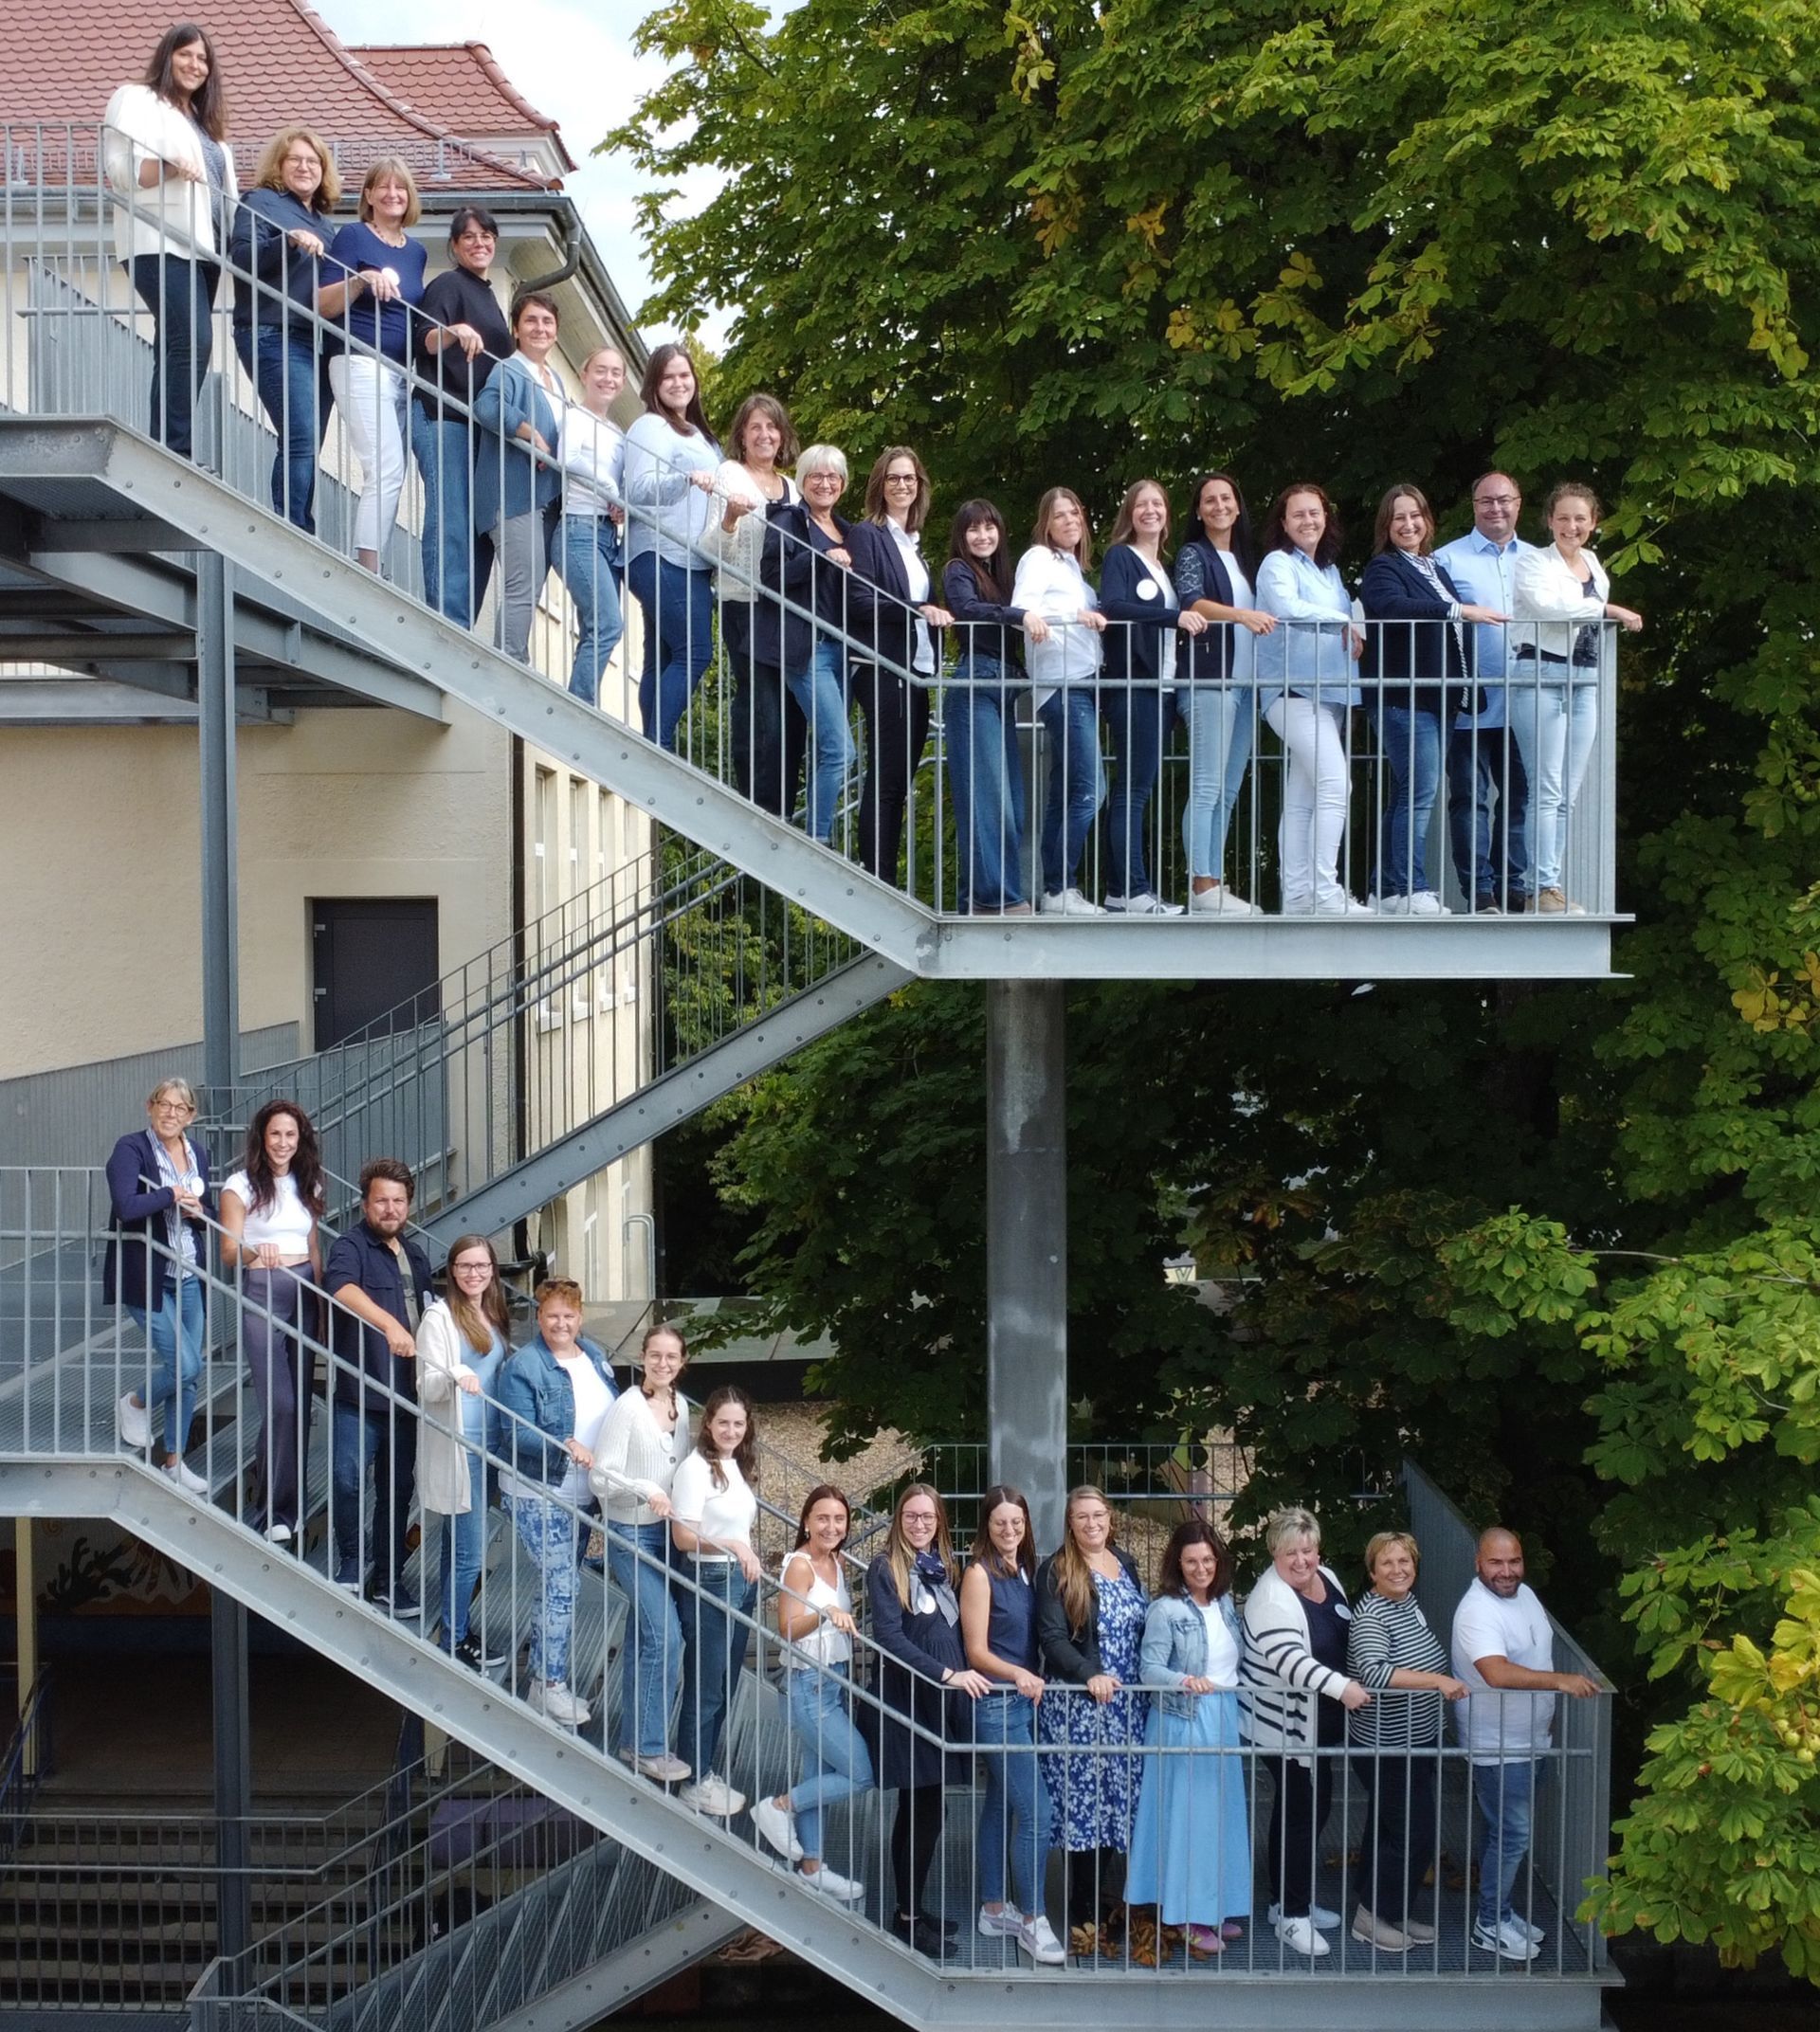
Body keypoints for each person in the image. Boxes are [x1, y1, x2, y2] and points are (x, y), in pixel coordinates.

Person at [1451, 1526, 1602, 1961]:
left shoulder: (1527, 1596)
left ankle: (1500, 1910)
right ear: (1478, 1563)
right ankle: (1489, 1924)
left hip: (1531, 1740)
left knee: (1505, 1833)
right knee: (1512, 1835)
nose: (1506, 1571)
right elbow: (1496, 1673)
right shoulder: (1476, 1611)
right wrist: (1562, 1683)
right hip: (1497, 1744)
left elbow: (1538, 1655)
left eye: (1514, 1561)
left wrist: (1548, 1719)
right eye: (1496, 1563)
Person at [1358, 483, 1508, 915]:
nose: (1408, 524)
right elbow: (1389, 607)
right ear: (1387, 526)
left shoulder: (1432, 567)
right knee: (1419, 793)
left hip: (1437, 698)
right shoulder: (1384, 567)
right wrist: (1462, 610)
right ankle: (1407, 887)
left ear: (1427, 520)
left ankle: (1386, 889)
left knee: (1412, 792)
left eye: (1415, 515)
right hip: (1403, 696)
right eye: (1398, 518)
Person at [1237, 1505, 1371, 1960]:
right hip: (1283, 1727)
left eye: (1308, 1551)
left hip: (1319, 1723)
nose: (1301, 1561)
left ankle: (1285, 1902)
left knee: (1309, 1808)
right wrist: (1344, 1688)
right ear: (1274, 1552)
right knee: (1301, 1811)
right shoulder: (1270, 1598)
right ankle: (1292, 1916)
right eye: (1290, 1552)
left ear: (1318, 1550)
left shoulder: (1328, 1577)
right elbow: (1291, 1662)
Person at [864, 1483, 989, 1955]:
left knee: (931, 1812)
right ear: (899, 1520)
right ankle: (906, 1917)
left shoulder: (942, 1568)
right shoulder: (886, 1568)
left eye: (929, 1517)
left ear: (939, 1520)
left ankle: (914, 1908)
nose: (920, 1524)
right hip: (910, 1699)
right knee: (918, 1813)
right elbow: (891, 1638)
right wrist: (946, 1674)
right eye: (912, 1516)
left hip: (940, 1702)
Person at [103, 26, 237, 461]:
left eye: (203, 60)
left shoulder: (204, 124)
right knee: (193, 340)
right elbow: (121, 171)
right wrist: (169, 167)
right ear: (167, 55)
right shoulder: (138, 99)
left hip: (206, 250)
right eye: (186, 55)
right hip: (159, 241)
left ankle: (166, 443)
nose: (195, 65)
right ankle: (173, 449)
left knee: (179, 342)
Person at [1511, 482, 1644, 913]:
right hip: (1540, 674)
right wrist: (1608, 609)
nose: (1572, 526)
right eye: (1563, 517)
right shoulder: (1533, 562)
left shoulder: (1591, 562)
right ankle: (1539, 887)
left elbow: (1574, 603)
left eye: (1580, 518)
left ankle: (1550, 885)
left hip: (1584, 679)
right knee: (1546, 789)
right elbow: (1552, 606)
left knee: (1567, 793)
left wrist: (1599, 606)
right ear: (1549, 520)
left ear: (1593, 523)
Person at [494, 1278, 616, 1727]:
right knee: (562, 1585)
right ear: (539, 1317)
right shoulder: (524, 1366)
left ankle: (539, 1687)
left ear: (580, 1318)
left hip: (584, 1493)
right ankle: (549, 1684)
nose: (560, 1323)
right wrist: (566, 1446)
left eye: (568, 1315)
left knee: (559, 1587)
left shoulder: (596, 1358)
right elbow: (514, 1433)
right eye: (551, 1315)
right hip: (539, 1489)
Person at [1126, 1519, 1250, 1958]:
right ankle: (1185, 1915)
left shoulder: (1224, 1605)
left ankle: (1213, 1906)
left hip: (1222, 1717)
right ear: (1178, 1564)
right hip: (1185, 1718)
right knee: (1189, 1822)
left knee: (1219, 1819)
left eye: (1208, 1560)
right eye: (1192, 1561)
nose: (1201, 1568)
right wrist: (1184, 1680)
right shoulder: (1166, 1610)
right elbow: (1148, 1669)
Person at [1035, 1484, 1149, 1956]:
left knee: (1117, 1809)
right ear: (1070, 1523)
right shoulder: (1057, 1570)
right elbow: (1052, 1638)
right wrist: (1090, 1675)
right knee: (1084, 1811)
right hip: (1081, 1710)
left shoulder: (1126, 1563)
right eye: (1081, 1517)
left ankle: (1107, 1904)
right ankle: (1083, 1912)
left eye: (1098, 1515)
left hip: (1127, 1710)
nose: (1091, 1524)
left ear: (1110, 1518)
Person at [1345, 1530, 1468, 1952]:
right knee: (1414, 1834)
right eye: (1387, 1563)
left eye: (1405, 1562)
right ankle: (1368, 1916)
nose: (1398, 1570)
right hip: (1387, 1747)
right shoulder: (1372, 1615)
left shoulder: (1406, 1605)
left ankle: (1391, 1913)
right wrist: (1437, 1680)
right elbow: (1375, 1674)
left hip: (1417, 1740)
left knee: (1389, 1831)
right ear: (1372, 1571)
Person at [752, 1483, 872, 1902]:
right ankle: (779, 1806)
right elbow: (784, 1629)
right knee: (860, 1773)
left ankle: (813, 1867)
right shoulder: (799, 1566)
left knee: (818, 1777)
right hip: (807, 1686)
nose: (831, 1526)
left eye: (839, 1519)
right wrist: (825, 1614)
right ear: (806, 1521)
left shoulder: (836, 1560)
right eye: (822, 1518)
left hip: (832, 1683)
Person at [959, 1484, 1064, 1963]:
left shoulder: (1025, 1571)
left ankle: (993, 1906)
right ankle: (1032, 1918)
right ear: (987, 1526)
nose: (1009, 1530)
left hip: (1024, 1704)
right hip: (998, 1706)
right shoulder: (979, 1575)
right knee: (1037, 1813)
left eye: (1016, 1522)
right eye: (1000, 1522)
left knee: (1002, 1806)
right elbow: (976, 1651)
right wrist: (1020, 1672)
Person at [325, 1157, 434, 1615]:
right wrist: (389, 1324)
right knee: (347, 1480)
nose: (390, 1209)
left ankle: (389, 1579)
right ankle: (354, 1559)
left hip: (407, 1398)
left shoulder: (416, 1255)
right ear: (365, 1203)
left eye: (398, 1201)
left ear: (408, 1204)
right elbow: (340, 1288)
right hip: (360, 1392)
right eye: (381, 1201)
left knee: (396, 1493)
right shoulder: (351, 1245)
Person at [1255, 484, 1370, 916]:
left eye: (1315, 513)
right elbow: (1286, 608)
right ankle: (1325, 892)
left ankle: (1299, 896)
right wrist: (1344, 620)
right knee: (1337, 784)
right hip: (1292, 690)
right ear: (1283, 523)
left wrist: (1353, 627)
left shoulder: (1330, 572)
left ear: (1326, 517)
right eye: (1298, 515)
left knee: (1303, 797)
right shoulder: (1277, 564)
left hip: (1333, 694)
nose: (1308, 521)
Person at [844, 448, 954, 886]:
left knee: (899, 782)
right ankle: (878, 880)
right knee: (886, 779)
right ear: (880, 485)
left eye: (910, 478)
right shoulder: (868, 535)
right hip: (882, 667)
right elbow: (860, 602)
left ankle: (885, 877)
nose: (902, 485)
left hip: (915, 670)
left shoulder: (913, 543)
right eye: (894, 478)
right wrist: (918, 608)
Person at [1097, 480, 1207, 915]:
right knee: (1133, 791)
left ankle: (1119, 889)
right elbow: (1115, 607)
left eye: (1157, 503)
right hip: (1134, 685)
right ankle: (1132, 892)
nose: (1150, 511)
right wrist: (1174, 617)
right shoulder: (1121, 556)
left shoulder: (1161, 566)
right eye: (1141, 505)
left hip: (1160, 688)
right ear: (1129, 513)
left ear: (1167, 513)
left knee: (1134, 788)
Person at [219, 1098, 325, 1543]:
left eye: (291, 1135)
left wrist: (321, 1302)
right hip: (263, 1289)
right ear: (262, 1137)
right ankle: (274, 1511)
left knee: (297, 1406)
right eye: (275, 1134)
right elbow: (228, 1252)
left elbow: (314, 1246)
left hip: (304, 1289)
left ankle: (286, 1506)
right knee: (279, 1404)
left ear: (300, 1141)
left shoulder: (309, 1184)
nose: (283, 1143)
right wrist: (253, 1251)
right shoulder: (239, 1185)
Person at [590, 1321, 691, 1782]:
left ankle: (633, 1740)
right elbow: (600, 1478)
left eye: (672, 1357)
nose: (663, 1364)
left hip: (667, 1538)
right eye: (655, 1356)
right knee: (665, 1637)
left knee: (642, 1639)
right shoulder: (627, 1408)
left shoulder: (682, 1407)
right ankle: (649, 1749)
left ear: (682, 1362)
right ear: (642, 1358)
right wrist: (645, 1488)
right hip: (630, 1535)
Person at [103, 1077, 212, 1493]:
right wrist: (170, 1195)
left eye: (180, 1107)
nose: (171, 1113)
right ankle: (135, 1402)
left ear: (192, 1116)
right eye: (163, 1105)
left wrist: (198, 1211)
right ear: (150, 1107)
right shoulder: (130, 1148)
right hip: (145, 1274)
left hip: (188, 1275)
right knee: (186, 1364)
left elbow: (208, 1211)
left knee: (188, 1375)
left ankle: (174, 1461)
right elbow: (127, 1206)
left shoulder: (197, 1152)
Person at [318, 158, 428, 574]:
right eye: (382, 187)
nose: (392, 194)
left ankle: (371, 560)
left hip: (399, 372)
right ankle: (367, 565)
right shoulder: (353, 237)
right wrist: (360, 281)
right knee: (385, 467)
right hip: (359, 360)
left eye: (400, 188)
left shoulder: (416, 252)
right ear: (368, 196)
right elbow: (322, 303)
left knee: (394, 473)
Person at [699, 393, 806, 816]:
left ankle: (781, 805)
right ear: (742, 435)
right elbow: (709, 550)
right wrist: (729, 520)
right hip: (743, 603)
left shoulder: (794, 488)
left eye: (772, 427)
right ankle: (757, 803)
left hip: (785, 609)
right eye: (755, 427)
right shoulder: (729, 474)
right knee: (763, 705)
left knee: (791, 709)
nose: (765, 434)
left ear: (782, 436)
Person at [1174, 471, 1274, 916]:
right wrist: (1241, 615)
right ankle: (1201, 886)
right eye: (1209, 500)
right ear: (1199, 511)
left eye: (1226, 499)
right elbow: (1191, 602)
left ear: (1237, 506)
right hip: (1210, 682)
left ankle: (1214, 883)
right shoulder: (1193, 554)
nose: (1219, 506)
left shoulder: (1246, 559)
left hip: (1246, 685)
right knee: (1208, 786)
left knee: (1229, 791)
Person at [1434, 473, 1535, 914]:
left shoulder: (1541, 561)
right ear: (1473, 505)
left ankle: (1513, 887)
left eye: (1504, 500)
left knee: (1520, 800)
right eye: (1486, 501)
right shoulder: (1445, 560)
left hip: (1527, 704)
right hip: (1468, 703)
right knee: (1468, 800)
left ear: (1519, 504)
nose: (1496, 509)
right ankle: (1480, 892)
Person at [940, 499, 1044, 914]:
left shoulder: (1001, 577)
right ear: (961, 537)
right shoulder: (957, 570)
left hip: (1003, 688)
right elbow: (965, 610)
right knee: (990, 802)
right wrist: (1019, 615)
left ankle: (976, 897)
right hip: (975, 687)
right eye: (973, 529)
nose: (982, 536)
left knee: (1012, 807)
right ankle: (994, 897)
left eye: (989, 528)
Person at [410, 205, 512, 626]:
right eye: (468, 237)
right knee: (451, 523)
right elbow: (424, 341)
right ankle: (446, 624)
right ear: (454, 246)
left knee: (480, 533)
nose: (479, 243)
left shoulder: (490, 296)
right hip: (444, 415)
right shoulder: (448, 284)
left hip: (481, 429)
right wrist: (454, 331)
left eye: (486, 235)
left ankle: (462, 624)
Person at [228, 125, 334, 532]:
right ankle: (293, 528)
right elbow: (240, 258)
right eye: (296, 160)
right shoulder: (260, 201)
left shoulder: (325, 225)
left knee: (308, 444)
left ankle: (298, 523)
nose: (305, 168)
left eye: (313, 161)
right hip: (271, 330)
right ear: (279, 164)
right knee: (301, 436)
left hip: (316, 342)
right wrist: (286, 242)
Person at [414, 1233, 510, 1670]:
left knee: (459, 1546)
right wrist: (455, 1372)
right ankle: (454, 1638)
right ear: (452, 1271)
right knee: (470, 1551)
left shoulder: (490, 1311)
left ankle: (456, 1627)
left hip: (489, 1446)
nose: (475, 1273)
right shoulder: (439, 1317)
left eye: (483, 1266)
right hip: (460, 1447)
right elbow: (426, 1386)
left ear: (492, 1270)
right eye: (466, 1266)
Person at [1012, 489, 1110, 915]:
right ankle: (1060, 887)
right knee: (1091, 790)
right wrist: (1076, 617)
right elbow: (1024, 610)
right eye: (1059, 515)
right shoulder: (1039, 558)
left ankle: (1056, 890)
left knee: (1065, 792)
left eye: (1075, 512)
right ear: (1046, 524)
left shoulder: (1072, 567)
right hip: (1062, 684)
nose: (1070, 520)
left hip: (1082, 684)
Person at [621, 342, 719, 753]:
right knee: (696, 652)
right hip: (662, 554)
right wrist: (685, 480)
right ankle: (657, 748)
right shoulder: (651, 427)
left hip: (691, 560)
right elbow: (637, 489)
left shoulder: (697, 432)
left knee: (661, 660)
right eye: (668, 377)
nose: (679, 383)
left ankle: (654, 745)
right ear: (653, 385)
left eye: (684, 375)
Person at [669, 1385, 761, 1818]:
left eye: (738, 1423)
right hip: (710, 1580)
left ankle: (704, 1768)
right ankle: (693, 1779)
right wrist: (735, 1547)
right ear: (707, 1423)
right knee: (706, 1685)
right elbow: (684, 1536)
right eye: (722, 1421)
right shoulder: (695, 1468)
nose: (730, 1429)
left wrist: (744, 1552)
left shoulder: (734, 1465)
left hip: (738, 1582)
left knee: (725, 1686)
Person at [761, 444, 857, 845]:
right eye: (816, 475)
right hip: (809, 649)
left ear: (843, 483)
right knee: (841, 749)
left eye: (833, 476)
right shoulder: (788, 519)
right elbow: (769, 576)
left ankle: (821, 834)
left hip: (844, 651)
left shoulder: (851, 531)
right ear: (802, 481)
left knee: (830, 748)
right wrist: (820, 557)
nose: (825, 482)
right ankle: (816, 839)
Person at [472, 291, 565, 663]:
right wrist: (530, 433)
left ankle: (511, 662)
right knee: (521, 588)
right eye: (531, 320)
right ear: (516, 329)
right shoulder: (509, 368)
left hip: (547, 498)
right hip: (512, 496)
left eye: (547, 321)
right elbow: (487, 407)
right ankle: (512, 667)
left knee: (530, 588)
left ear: (556, 331)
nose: (539, 328)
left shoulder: (555, 379)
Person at [555, 346, 628, 706]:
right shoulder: (577, 417)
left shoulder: (617, 432)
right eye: (601, 370)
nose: (608, 378)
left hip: (605, 533)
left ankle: (583, 702)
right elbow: (565, 459)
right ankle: (580, 706)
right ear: (584, 375)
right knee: (609, 623)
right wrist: (609, 486)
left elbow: (619, 488)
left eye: (616, 373)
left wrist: (619, 503)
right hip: (577, 530)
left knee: (594, 627)